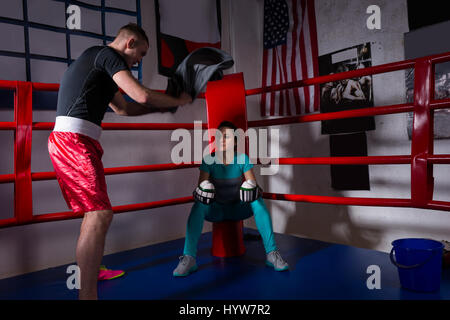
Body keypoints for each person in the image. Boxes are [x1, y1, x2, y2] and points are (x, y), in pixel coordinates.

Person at [48, 23, 192, 300]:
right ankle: (87, 295)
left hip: (80, 140)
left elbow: (125, 108)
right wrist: (175, 98)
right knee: (100, 213)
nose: (140, 60)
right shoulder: (107, 55)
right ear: (130, 42)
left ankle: (92, 269)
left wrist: (168, 105)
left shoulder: (101, 66)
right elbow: (141, 94)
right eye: (142, 52)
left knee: (95, 213)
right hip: (72, 140)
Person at [173, 121, 289, 277]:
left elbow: (254, 185)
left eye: (226, 136)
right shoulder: (209, 160)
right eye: (219, 136)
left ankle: (271, 253)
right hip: (216, 211)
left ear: (235, 141)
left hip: (238, 209)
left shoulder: (242, 158)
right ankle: (189, 257)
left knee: (257, 200)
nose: (221, 139)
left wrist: (254, 189)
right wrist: (200, 191)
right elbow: (201, 189)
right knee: (199, 203)